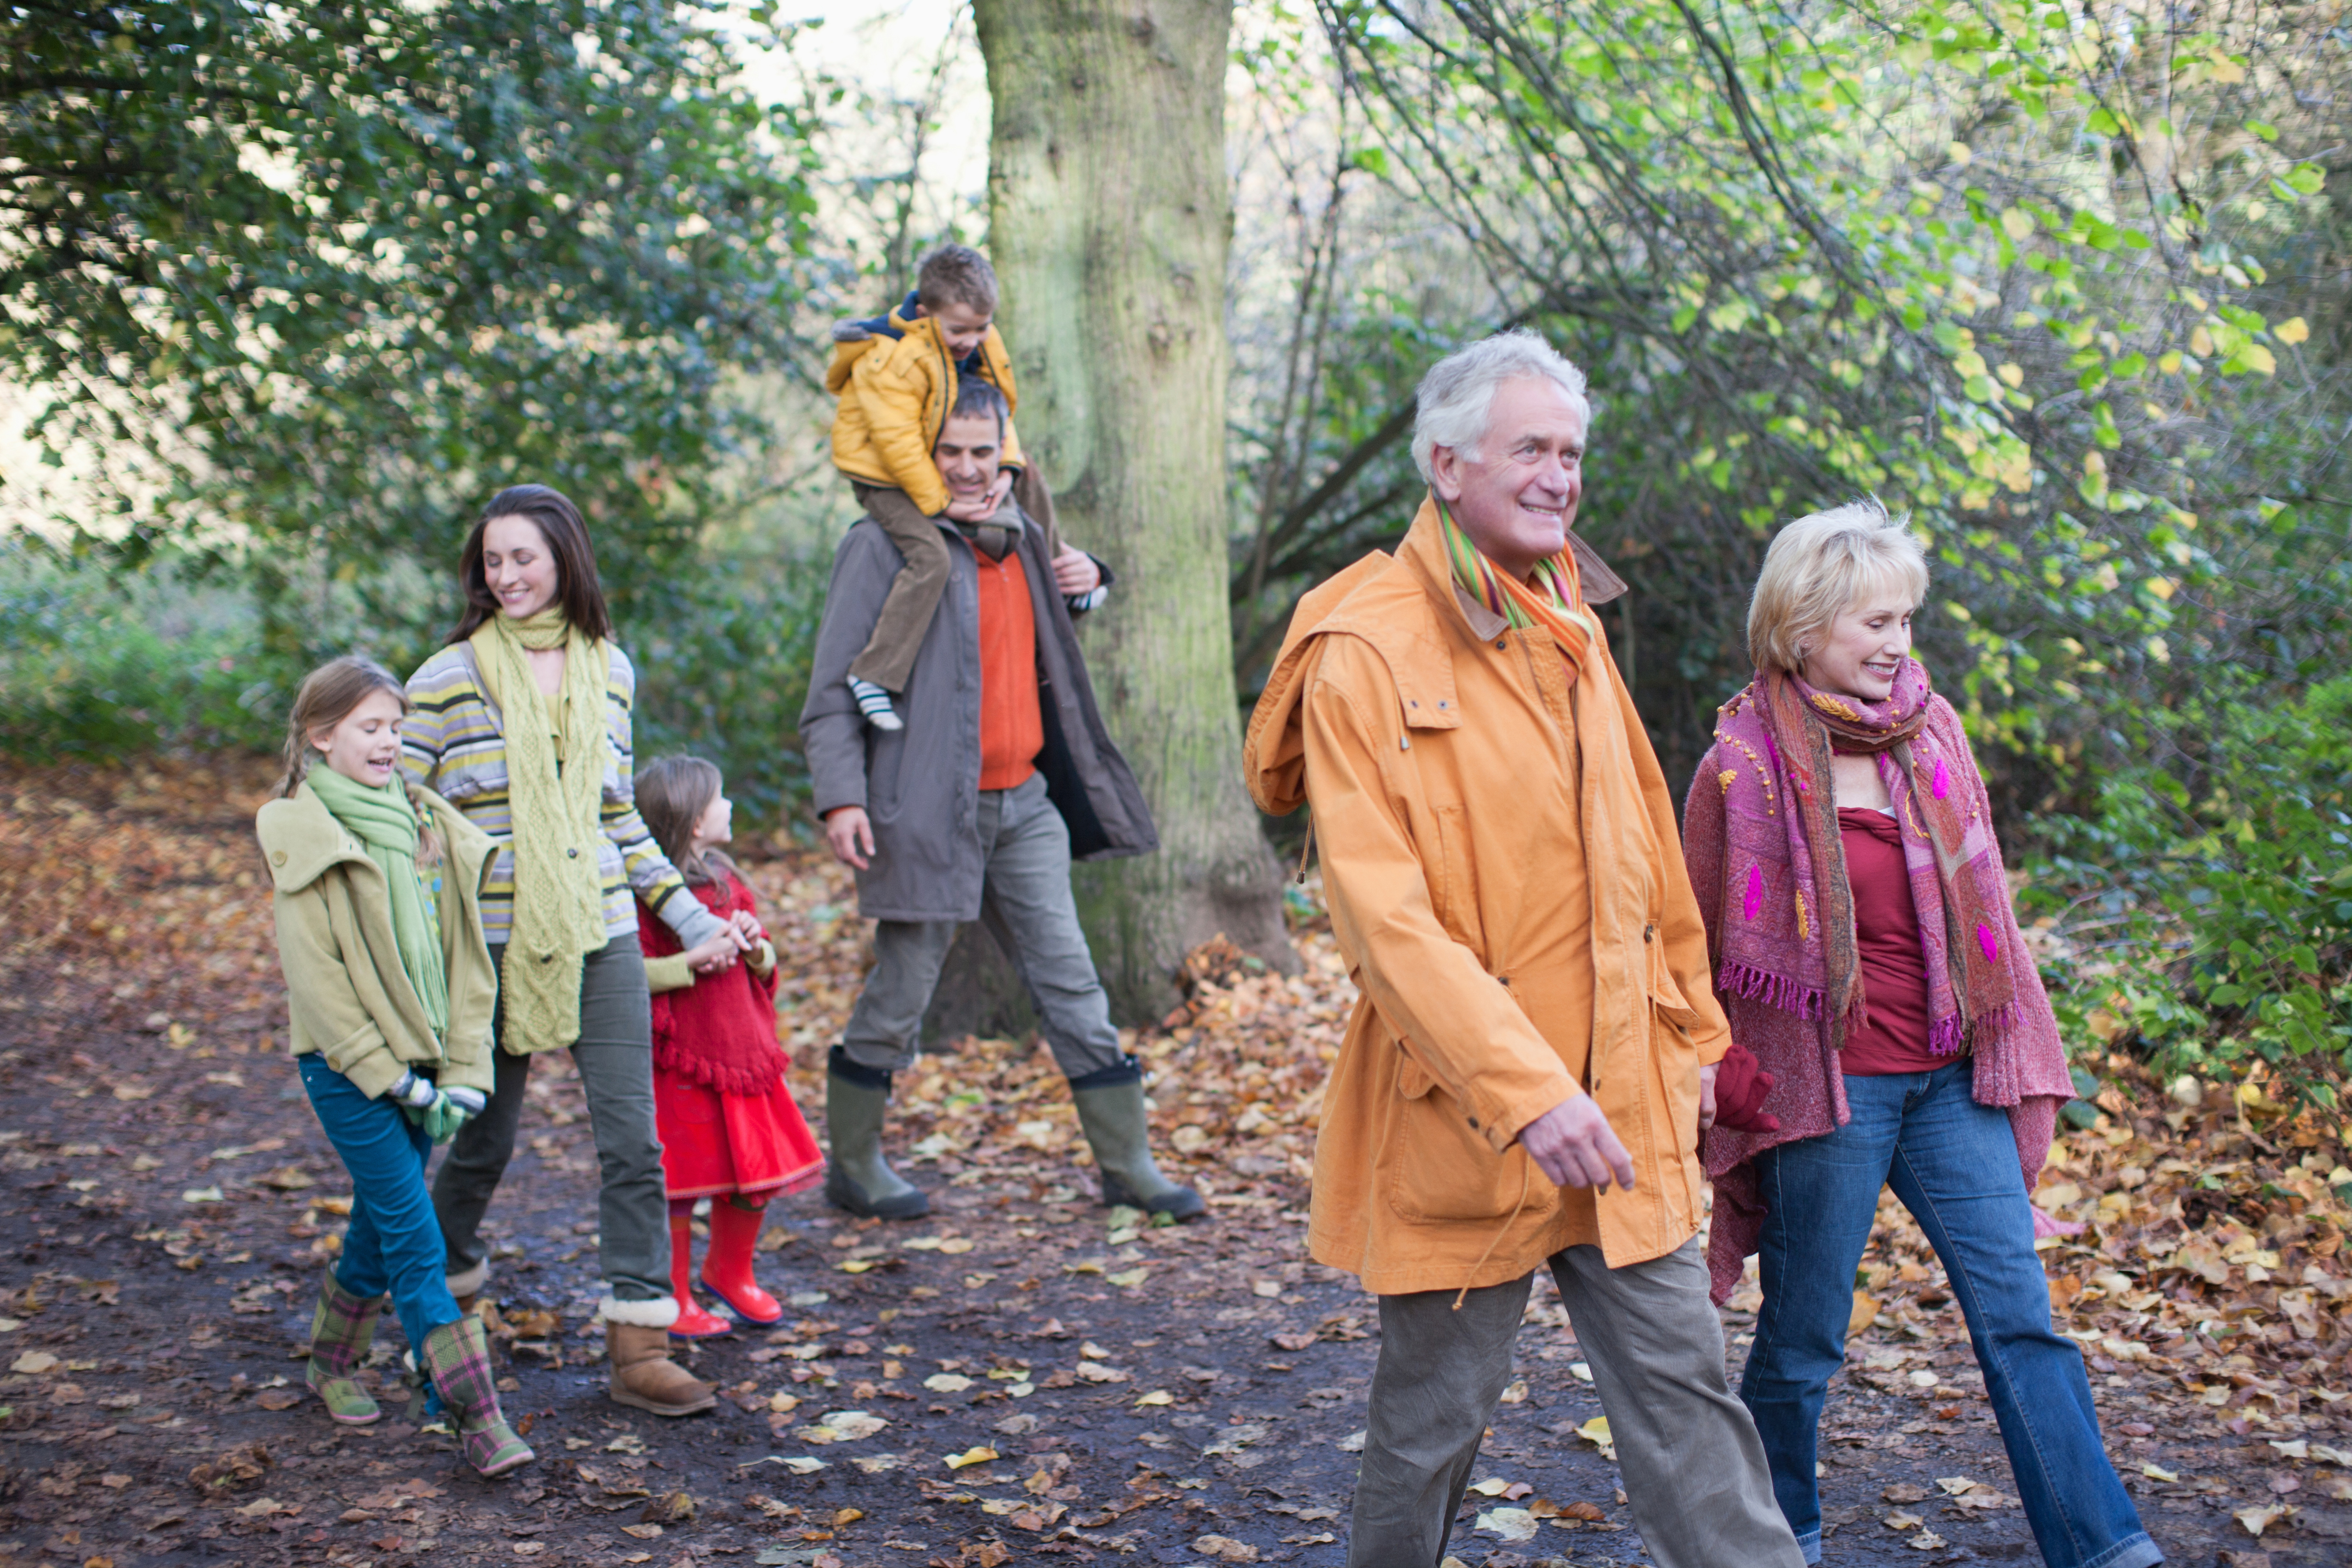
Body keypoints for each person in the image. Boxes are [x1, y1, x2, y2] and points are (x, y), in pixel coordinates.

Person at [1242, 330, 1803, 1568]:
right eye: (1531, 449)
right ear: (1446, 464)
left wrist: (1697, 1036)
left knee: (1690, 1407)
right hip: (1466, 1114)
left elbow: (1649, 859)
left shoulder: (1572, 618)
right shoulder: (1362, 649)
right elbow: (1386, 924)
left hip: (1624, 1103)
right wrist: (1526, 1088)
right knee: (1431, 1427)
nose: (1560, 476)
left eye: (1572, 453)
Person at [1683, 501, 2158, 1568]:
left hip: (1948, 1080)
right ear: (1800, 627)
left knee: (2022, 1321)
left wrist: (2015, 1044)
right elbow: (1688, 939)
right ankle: (1779, 1538)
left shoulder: (1928, 734)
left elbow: (1987, 912)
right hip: (1827, 1090)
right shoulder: (1739, 765)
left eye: (1904, 618)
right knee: (1801, 1342)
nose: (1897, 642)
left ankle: (2105, 1547)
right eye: (1872, 622)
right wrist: (1710, 1071)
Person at [799, 378, 1189, 1224]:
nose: (970, 469)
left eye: (984, 451)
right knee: (902, 993)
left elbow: (1023, 647)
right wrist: (841, 798)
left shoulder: (1024, 536)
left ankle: (1129, 1167)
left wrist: (1089, 582)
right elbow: (834, 687)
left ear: (1005, 452)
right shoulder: (882, 547)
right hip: (928, 811)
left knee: (1074, 985)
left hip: (1027, 808)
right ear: (920, 454)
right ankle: (855, 1166)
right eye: (951, 452)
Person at [402, 483, 751, 1419]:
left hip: (598, 934)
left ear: (565, 558)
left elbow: (616, 818)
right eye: (492, 560)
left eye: (524, 557)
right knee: (483, 1143)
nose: (506, 575)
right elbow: (397, 814)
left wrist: (687, 918)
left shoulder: (609, 667)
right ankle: (436, 1322)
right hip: (494, 947)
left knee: (635, 1143)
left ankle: (640, 1343)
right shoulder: (443, 677)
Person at [259, 656, 531, 1477]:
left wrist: (460, 1068)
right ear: (322, 736)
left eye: (396, 726)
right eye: (371, 727)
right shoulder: (305, 832)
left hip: (421, 1067)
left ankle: (331, 1360)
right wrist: (393, 1078)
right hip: (346, 1070)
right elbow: (320, 981)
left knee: (382, 1220)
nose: (389, 741)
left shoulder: (423, 823)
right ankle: (476, 1416)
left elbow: (464, 960)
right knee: (417, 1236)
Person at [823, 243, 1068, 731]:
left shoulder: (977, 340)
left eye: (981, 327)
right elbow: (897, 447)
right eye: (959, 329)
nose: (971, 340)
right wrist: (944, 505)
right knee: (930, 556)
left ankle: (1065, 575)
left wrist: (1008, 467)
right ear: (927, 310)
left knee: (1029, 478)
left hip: (928, 462)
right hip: (883, 475)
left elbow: (1000, 409)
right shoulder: (892, 359)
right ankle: (874, 674)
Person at [632, 754, 825, 1335]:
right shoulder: (645, 895)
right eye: (720, 798)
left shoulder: (725, 877)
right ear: (693, 820)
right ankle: (675, 1295)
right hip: (685, 1057)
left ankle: (730, 1272)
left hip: (744, 1052)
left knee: (755, 1172)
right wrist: (687, 962)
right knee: (681, 1183)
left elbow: (764, 958)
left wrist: (752, 944)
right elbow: (628, 973)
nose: (731, 806)